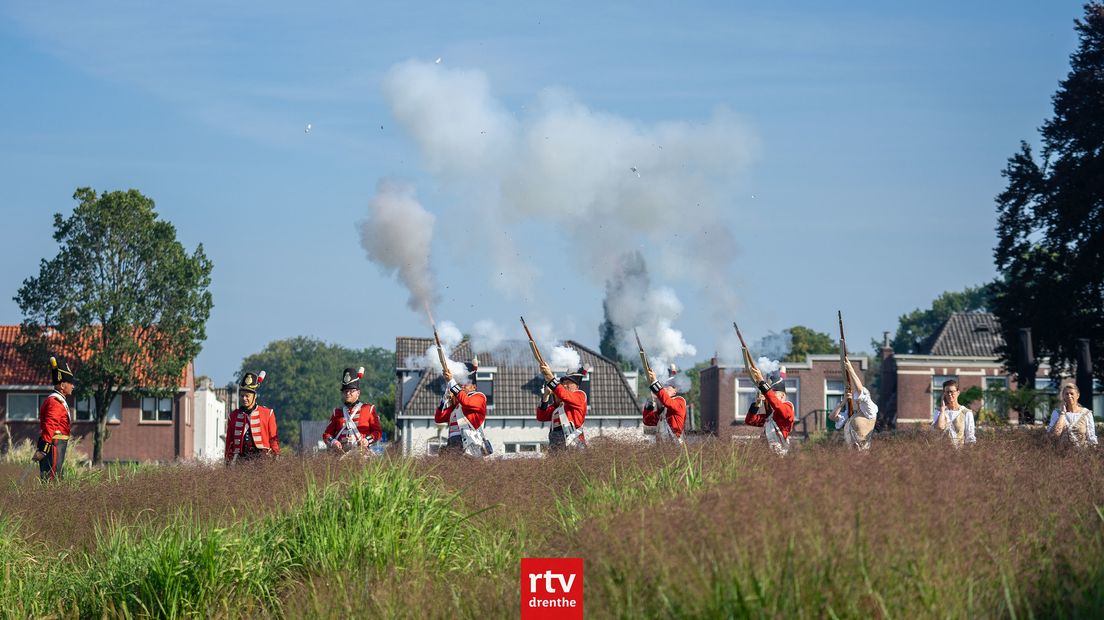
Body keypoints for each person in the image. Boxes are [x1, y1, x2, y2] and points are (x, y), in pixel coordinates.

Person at [434, 362, 490, 457]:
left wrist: (451, 382)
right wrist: (445, 398)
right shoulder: (456, 405)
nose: (463, 385)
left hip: (469, 444)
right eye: (461, 383)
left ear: (474, 386)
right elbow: (439, 418)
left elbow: (466, 402)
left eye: (466, 383)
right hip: (452, 444)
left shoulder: (479, 397)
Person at [322, 367, 382, 456]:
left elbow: (377, 432)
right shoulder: (337, 412)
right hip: (342, 457)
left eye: (351, 391)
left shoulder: (368, 409)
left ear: (358, 393)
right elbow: (326, 435)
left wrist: (367, 440)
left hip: (362, 456)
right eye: (345, 391)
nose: (347, 394)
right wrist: (334, 442)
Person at [224, 371, 280, 463]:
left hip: (262, 459)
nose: (244, 398)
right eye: (242, 396)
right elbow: (229, 443)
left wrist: (276, 455)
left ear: (255, 396)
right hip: (241, 460)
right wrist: (227, 461)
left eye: (247, 396)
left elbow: (273, 439)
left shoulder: (268, 414)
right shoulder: (233, 416)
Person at [33, 357, 74, 481]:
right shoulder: (55, 402)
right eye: (71, 383)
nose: (73, 386)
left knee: (55, 479)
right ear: (62, 385)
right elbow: (49, 426)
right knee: (51, 480)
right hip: (53, 446)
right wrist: (44, 450)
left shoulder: (58, 400)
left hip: (58, 445)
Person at [829, 358, 879, 450]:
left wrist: (850, 369)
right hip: (850, 457)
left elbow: (860, 390)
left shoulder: (871, 410)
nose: (857, 397)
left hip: (863, 456)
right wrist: (843, 402)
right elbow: (832, 417)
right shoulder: (851, 415)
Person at [744, 367, 795, 455]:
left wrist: (761, 381)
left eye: (772, 394)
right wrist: (757, 403)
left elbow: (777, 405)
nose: (767, 398)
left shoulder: (788, 408)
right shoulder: (770, 418)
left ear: (782, 396)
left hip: (779, 458)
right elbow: (750, 420)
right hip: (765, 457)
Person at [536, 365, 588, 451]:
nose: (565, 385)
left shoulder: (580, 395)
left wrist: (549, 375)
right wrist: (546, 396)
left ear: (577, 386)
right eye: (564, 382)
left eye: (568, 382)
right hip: (556, 449)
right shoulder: (560, 406)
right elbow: (541, 416)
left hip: (574, 446)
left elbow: (563, 394)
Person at [642, 365, 686, 443]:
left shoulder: (680, 401)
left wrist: (655, 381)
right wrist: (650, 402)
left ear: (675, 391)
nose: (664, 388)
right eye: (664, 386)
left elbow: (667, 401)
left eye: (668, 386)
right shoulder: (663, 407)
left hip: (676, 446)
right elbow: (648, 421)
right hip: (662, 448)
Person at [1047, 382, 1097, 447]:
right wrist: (1062, 414)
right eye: (1066, 394)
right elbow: (1054, 434)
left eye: (1071, 393)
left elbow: (1091, 437)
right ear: (1063, 396)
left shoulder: (1086, 413)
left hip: (1082, 453)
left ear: (1078, 395)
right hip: (1062, 453)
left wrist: (1094, 453)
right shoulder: (1056, 413)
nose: (1069, 396)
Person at [931, 379, 976, 447]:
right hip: (940, 453)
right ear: (944, 394)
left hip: (960, 454)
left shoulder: (966, 412)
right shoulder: (938, 411)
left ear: (958, 392)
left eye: (952, 392)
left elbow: (970, 437)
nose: (949, 394)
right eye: (947, 392)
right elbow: (939, 428)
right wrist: (942, 409)